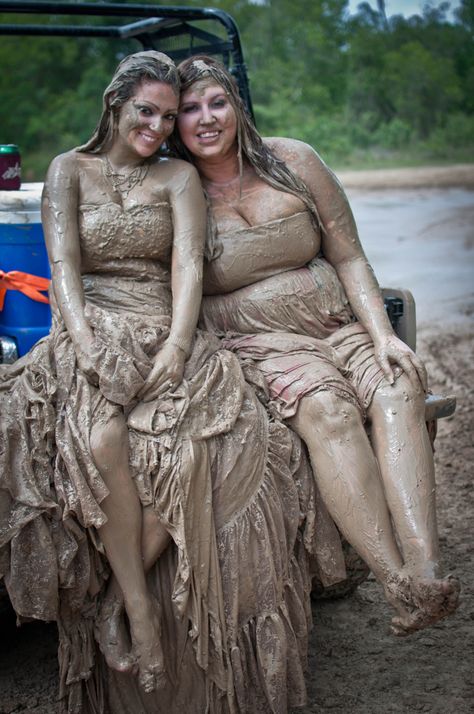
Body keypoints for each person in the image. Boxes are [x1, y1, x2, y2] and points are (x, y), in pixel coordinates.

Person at [0, 51, 343, 714]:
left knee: (207, 442)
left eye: (166, 116)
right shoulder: (68, 170)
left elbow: (187, 267)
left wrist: (179, 346)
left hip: (165, 321)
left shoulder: (177, 179)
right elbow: (63, 268)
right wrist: (86, 344)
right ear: (115, 105)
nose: (157, 127)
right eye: (146, 112)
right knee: (99, 437)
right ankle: (135, 612)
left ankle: (119, 609)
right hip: (91, 323)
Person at [170, 55, 460, 637]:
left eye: (216, 102)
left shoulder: (294, 160)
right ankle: (396, 581)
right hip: (260, 342)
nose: (206, 119)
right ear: (175, 125)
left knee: (398, 384)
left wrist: (382, 335)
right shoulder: (177, 190)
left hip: (334, 322)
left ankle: (427, 568)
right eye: (190, 110)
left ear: (237, 105)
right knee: (328, 410)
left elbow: (349, 255)